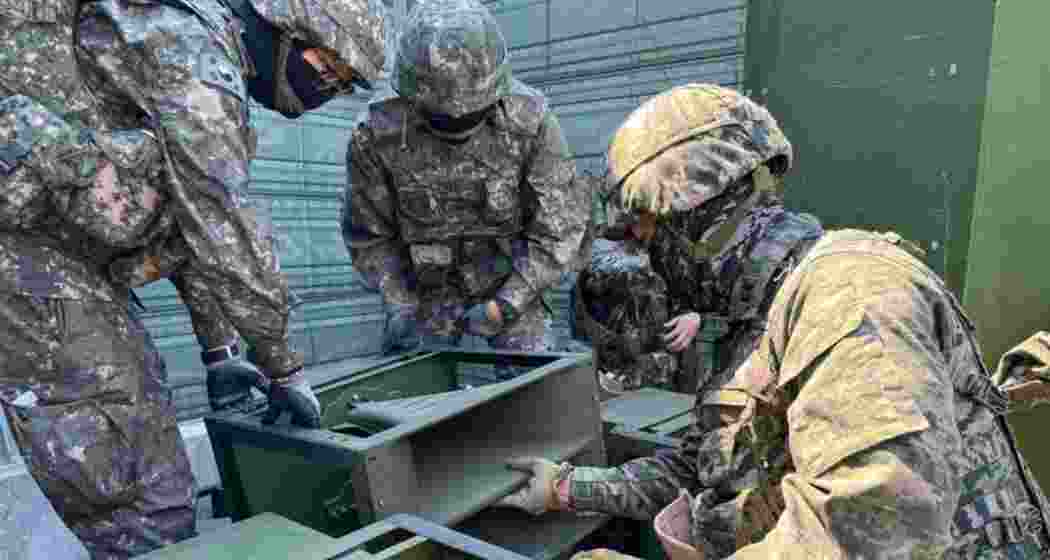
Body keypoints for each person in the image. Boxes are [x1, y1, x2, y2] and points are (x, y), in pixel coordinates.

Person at [495, 84, 1050, 559]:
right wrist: (566, 488)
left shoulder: (850, 294)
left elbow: (876, 530)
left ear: (694, 222)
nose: (649, 260)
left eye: (646, 232)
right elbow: (700, 467)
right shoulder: (759, 324)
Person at [0, 0, 386, 556]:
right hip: (29, 258)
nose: (325, 86)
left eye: (342, 83)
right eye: (327, 66)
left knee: (141, 474)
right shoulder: (199, 56)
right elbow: (222, 226)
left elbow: (185, 224)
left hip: (55, 250)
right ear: (281, 27)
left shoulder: (195, 41)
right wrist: (284, 365)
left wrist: (218, 351)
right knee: (141, 495)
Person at [343, 0, 589, 370]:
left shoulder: (531, 122)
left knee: (535, 389)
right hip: (424, 293)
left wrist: (507, 303)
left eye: (473, 110)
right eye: (441, 115)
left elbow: (559, 228)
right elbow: (369, 236)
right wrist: (401, 303)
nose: (458, 118)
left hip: (511, 281)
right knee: (408, 386)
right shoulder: (377, 134)